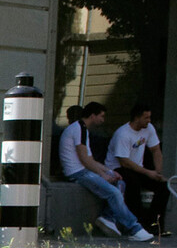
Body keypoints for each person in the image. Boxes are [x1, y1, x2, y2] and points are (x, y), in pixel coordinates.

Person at [58, 101, 151, 240]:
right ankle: (134, 228)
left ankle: (107, 218)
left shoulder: (82, 129)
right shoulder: (79, 129)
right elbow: (84, 159)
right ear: (92, 115)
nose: (103, 120)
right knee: (113, 192)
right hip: (77, 172)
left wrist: (109, 171)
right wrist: (103, 175)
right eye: (101, 116)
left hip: (83, 170)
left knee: (120, 183)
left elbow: (90, 159)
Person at [107, 99, 166, 233]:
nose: (149, 120)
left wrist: (157, 172)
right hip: (117, 169)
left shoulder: (148, 129)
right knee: (133, 184)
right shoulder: (123, 134)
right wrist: (148, 173)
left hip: (138, 168)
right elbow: (124, 162)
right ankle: (137, 224)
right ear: (137, 118)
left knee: (163, 187)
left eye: (150, 117)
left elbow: (156, 150)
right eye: (146, 118)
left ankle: (154, 223)